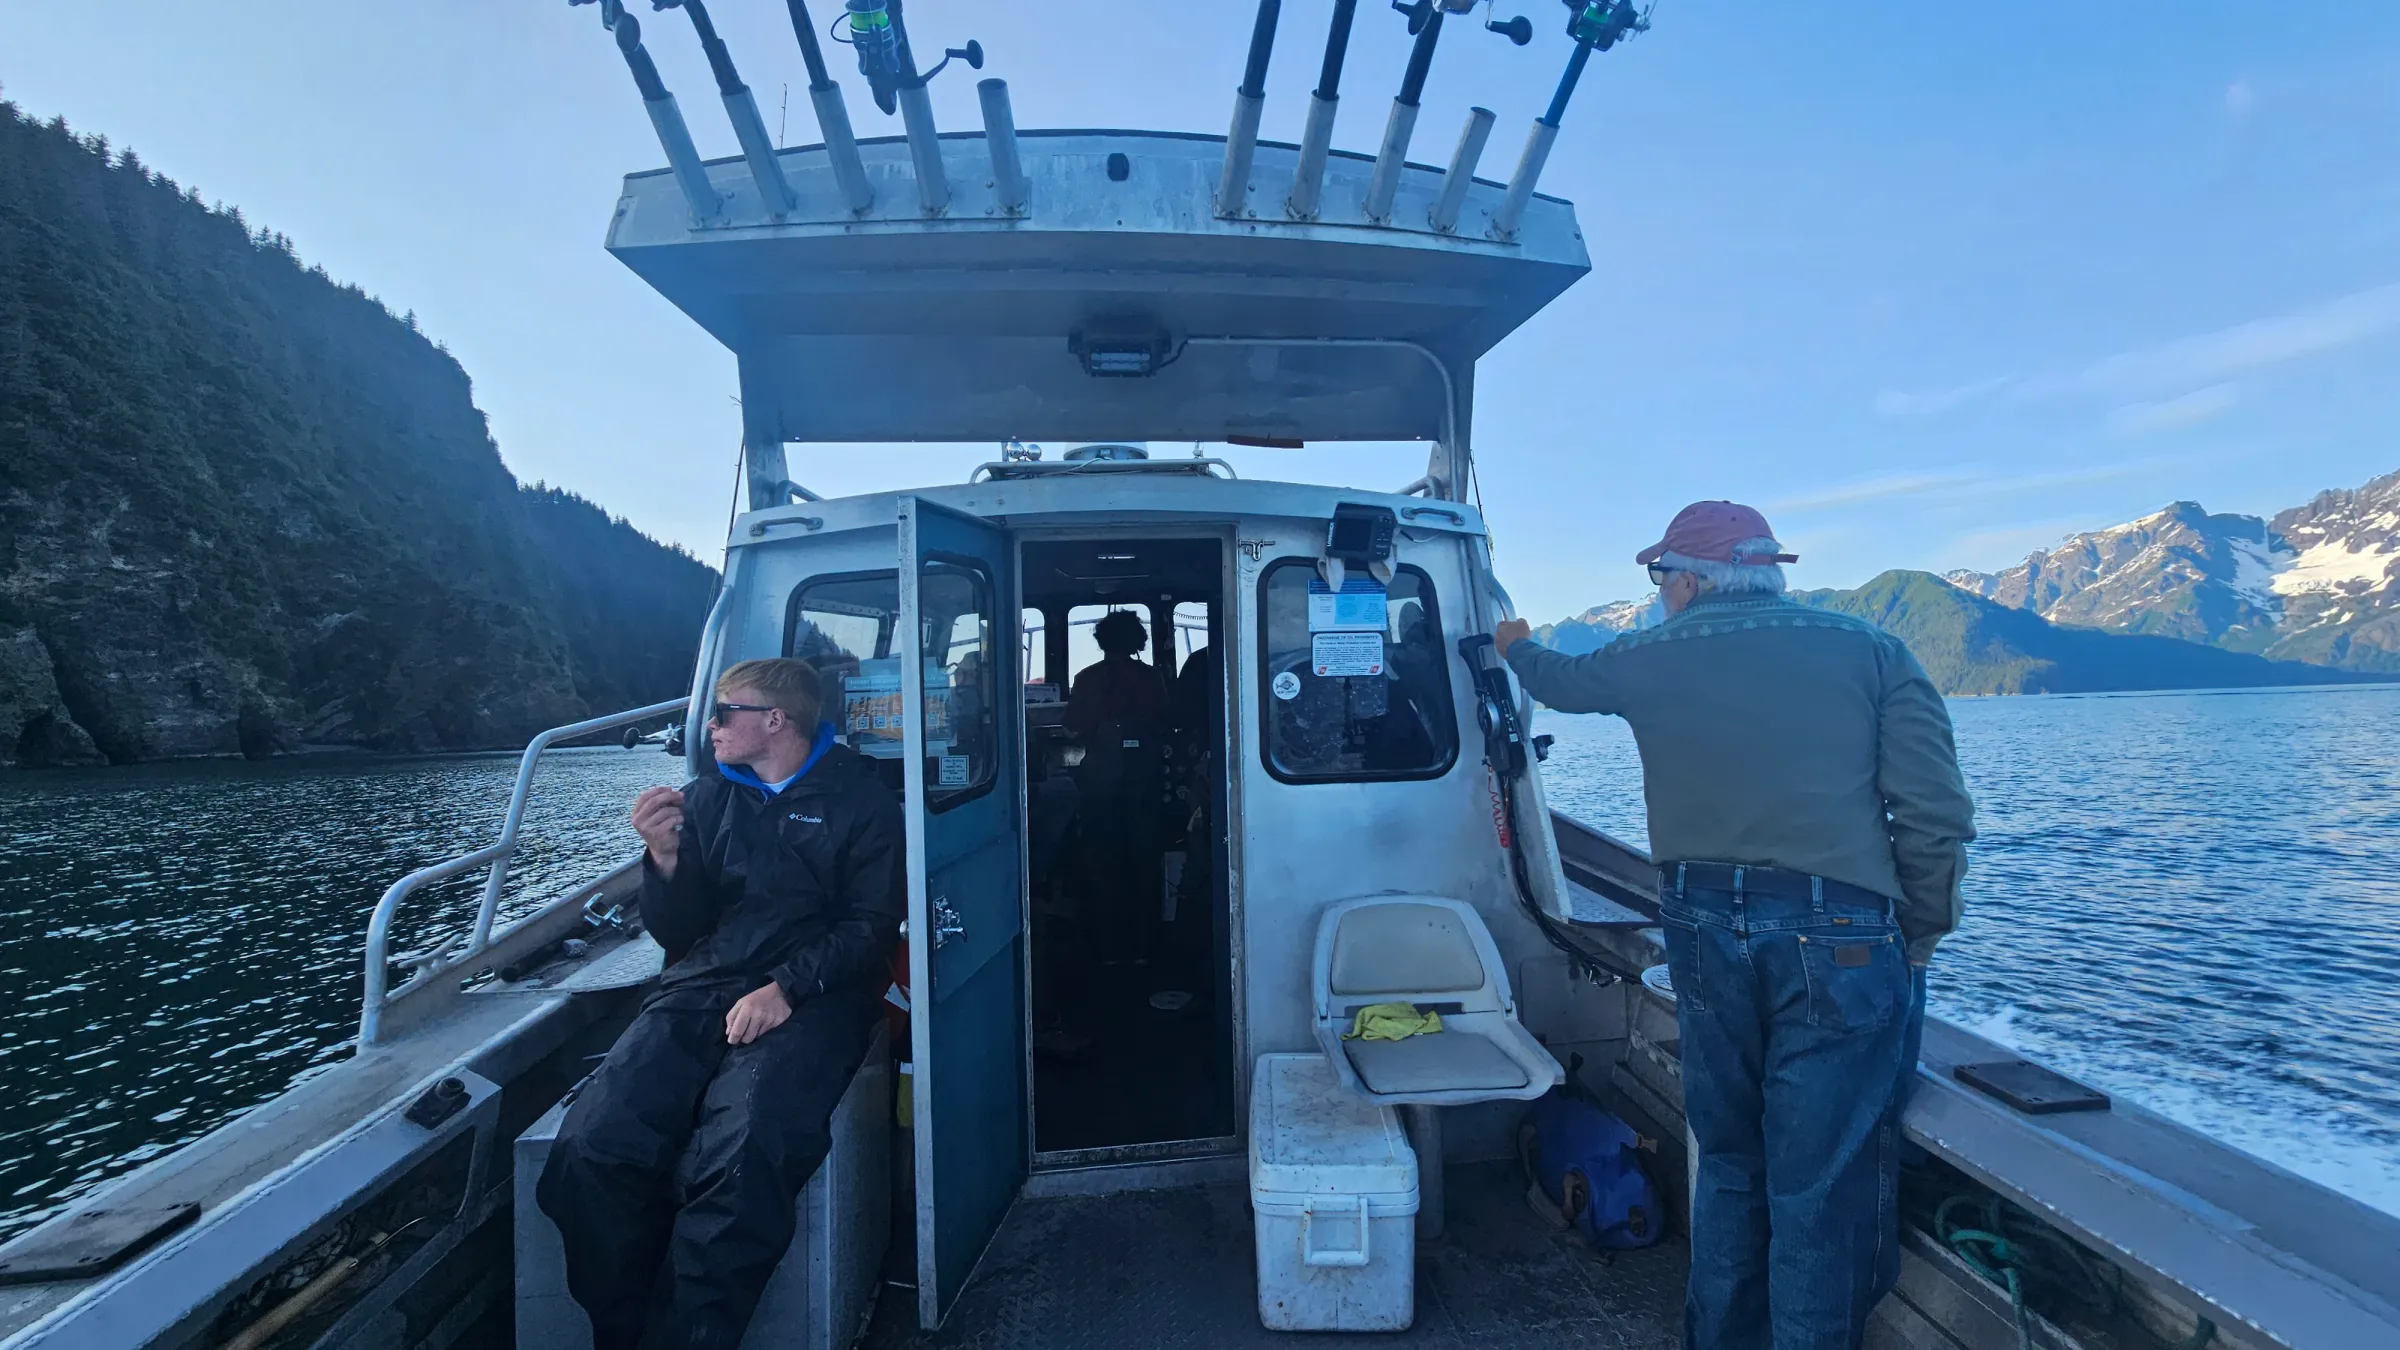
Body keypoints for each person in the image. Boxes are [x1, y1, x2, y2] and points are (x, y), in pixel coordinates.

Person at [1493, 501, 1975, 1350]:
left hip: (1701, 926)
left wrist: (1513, 646)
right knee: (1822, 1183)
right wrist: (1922, 931)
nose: (1657, 594)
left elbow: (1559, 683)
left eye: (1658, 577)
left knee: (1729, 1161)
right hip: (1844, 936)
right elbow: (1933, 812)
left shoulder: (1649, 655)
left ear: (1688, 579)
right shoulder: (1870, 649)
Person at [536, 657, 903, 1350]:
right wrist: (664, 860)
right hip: (700, 987)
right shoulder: (707, 798)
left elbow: (870, 926)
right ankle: (626, 1333)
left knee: (744, 1154)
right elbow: (677, 933)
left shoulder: (865, 804)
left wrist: (787, 988)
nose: (708, 727)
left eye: (723, 712)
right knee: (588, 1152)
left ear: (775, 720)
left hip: (818, 998)